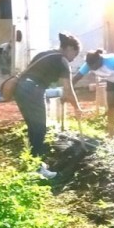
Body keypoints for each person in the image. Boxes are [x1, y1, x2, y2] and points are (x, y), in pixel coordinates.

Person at [15, 32, 84, 179]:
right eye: (75, 54)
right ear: (70, 48)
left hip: (20, 89)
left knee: (34, 128)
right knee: (40, 129)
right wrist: (77, 107)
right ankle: (37, 169)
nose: (73, 59)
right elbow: (68, 89)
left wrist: (67, 98)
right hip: (33, 90)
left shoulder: (44, 54)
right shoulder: (62, 61)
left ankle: (32, 163)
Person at [72, 49, 114, 138]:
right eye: (90, 67)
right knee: (111, 105)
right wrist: (67, 88)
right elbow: (77, 77)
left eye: (94, 66)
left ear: (100, 60)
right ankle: (110, 133)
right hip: (112, 79)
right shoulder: (89, 64)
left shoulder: (111, 61)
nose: (92, 69)